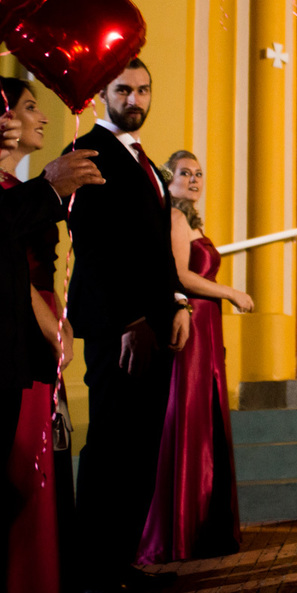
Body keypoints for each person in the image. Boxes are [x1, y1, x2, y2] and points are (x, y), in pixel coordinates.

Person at [66, 58, 191, 592]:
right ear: (102, 95)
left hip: (158, 324)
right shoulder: (87, 154)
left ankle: (119, 564)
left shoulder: (143, 161)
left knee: (141, 447)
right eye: (124, 90)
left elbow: (156, 249)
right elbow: (96, 250)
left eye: (143, 89)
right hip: (119, 330)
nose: (135, 99)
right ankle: (93, 572)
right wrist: (131, 320)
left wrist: (178, 301)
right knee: (112, 447)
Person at [0, 107, 100, 588]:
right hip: (19, 332)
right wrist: (51, 325)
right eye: (25, 106)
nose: (38, 116)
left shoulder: (18, 189)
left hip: (36, 328)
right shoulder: (18, 194)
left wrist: (58, 317)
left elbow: (43, 264)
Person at [137, 150, 253, 564]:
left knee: (204, 418)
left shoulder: (188, 219)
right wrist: (232, 293)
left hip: (206, 328)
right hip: (191, 324)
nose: (194, 179)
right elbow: (181, 276)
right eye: (184, 173)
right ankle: (177, 531)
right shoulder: (173, 217)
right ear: (168, 178)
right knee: (186, 417)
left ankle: (202, 522)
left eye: (199, 173)